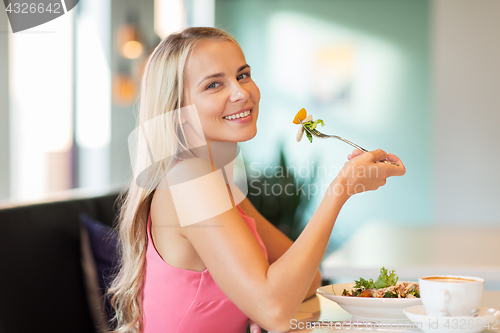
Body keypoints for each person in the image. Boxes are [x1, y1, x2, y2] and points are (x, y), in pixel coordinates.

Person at [107, 27, 406, 333]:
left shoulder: (217, 183)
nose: (240, 92)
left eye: (243, 75)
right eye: (213, 85)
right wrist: (340, 190)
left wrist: (258, 302)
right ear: (178, 111)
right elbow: (276, 312)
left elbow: (308, 282)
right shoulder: (190, 177)